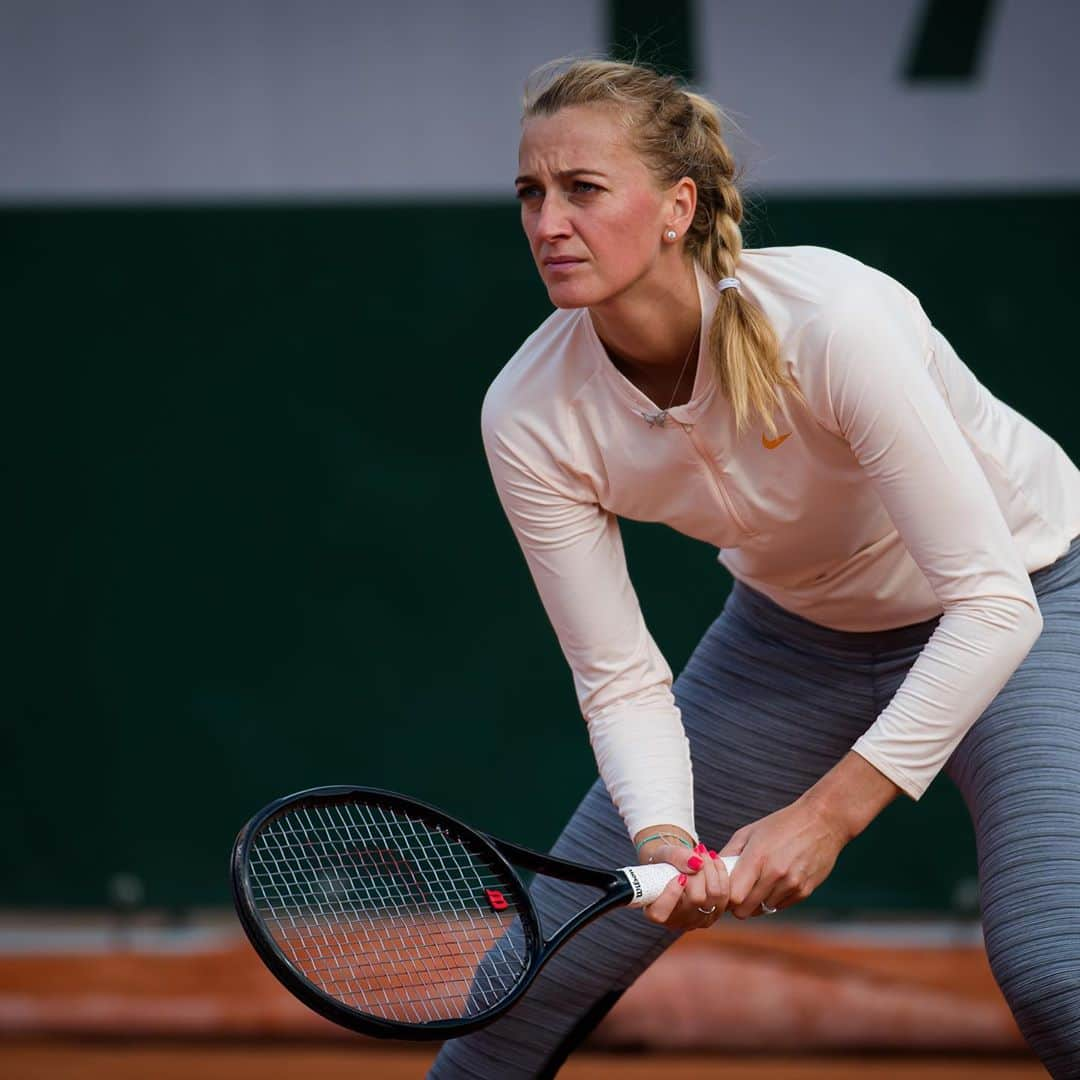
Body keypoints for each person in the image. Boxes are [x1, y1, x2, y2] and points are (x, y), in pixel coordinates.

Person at [429, 58, 1080, 1079]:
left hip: (1036, 598)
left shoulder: (832, 324)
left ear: (677, 206)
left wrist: (827, 816)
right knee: (523, 987)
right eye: (531, 193)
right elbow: (620, 675)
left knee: (1059, 971)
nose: (548, 221)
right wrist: (661, 835)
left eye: (584, 190)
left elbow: (991, 604)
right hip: (791, 639)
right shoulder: (529, 413)